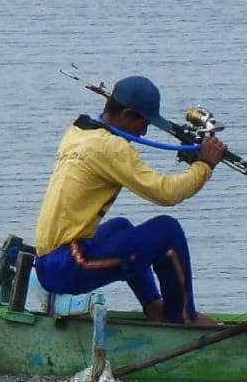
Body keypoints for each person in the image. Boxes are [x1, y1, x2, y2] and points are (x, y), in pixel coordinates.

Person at [33, 75, 229, 325]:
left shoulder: (78, 132)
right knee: (167, 231)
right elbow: (165, 193)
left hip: (48, 263)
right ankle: (184, 317)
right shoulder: (111, 148)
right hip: (68, 265)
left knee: (121, 227)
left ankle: (154, 306)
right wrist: (204, 166)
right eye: (143, 123)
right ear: (126, 114)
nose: (144, 132)